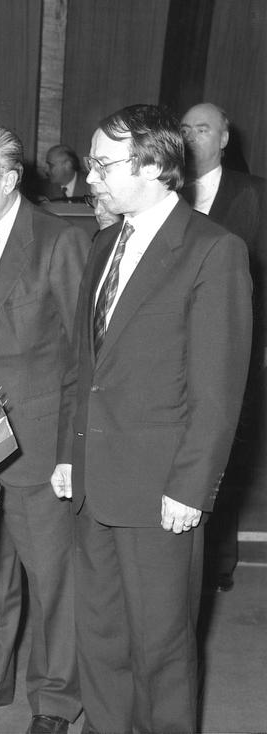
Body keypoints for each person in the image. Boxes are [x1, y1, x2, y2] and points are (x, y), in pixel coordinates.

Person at [52, 104, 252, 734]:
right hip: (92, 479)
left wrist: (192, 486)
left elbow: (218, 390)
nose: (90, 178)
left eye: (104, 164)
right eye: (91, 163)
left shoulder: (213, 250)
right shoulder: (105, 242)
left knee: (161, 648)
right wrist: (67, 453)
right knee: (102, 638)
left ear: (157, 166)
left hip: (161, 486)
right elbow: (81, 365)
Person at [0, 125, 88, 734]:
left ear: (8, 180)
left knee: (54, 582)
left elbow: (87, 358)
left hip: (39, 445)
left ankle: (55, 701)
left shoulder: (61, 241)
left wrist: (71, 452)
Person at [180, 102, 265, 593]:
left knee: (227, 454)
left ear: (225, 137)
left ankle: (218, 562)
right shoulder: (166, 193)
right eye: (186, 128)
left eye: (204, 128)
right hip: (174, 349)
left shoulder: (254, 195)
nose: (193, 137)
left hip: (237, 349)